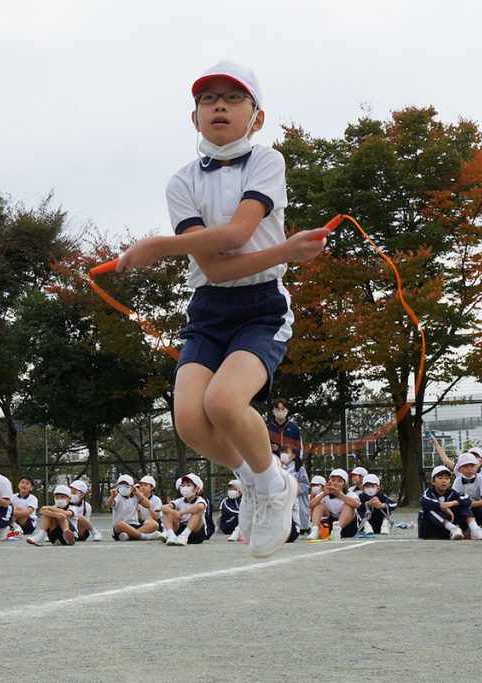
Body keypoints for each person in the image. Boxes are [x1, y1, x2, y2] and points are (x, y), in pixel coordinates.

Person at [115, 60, 328, 558]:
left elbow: (235, 236)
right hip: (209, 307)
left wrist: (159, 246)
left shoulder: (267, 162)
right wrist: (287, 249)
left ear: (257, 116)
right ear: (194, 117)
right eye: (208, 99)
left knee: (224, 403)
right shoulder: (181, 181)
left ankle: (274, 486)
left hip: (262, 305)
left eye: (234, 98)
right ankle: (253, 479)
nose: (219, 106)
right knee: (190, 421)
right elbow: (214, 267)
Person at [418, 466, 473, 540]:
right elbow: (423, 501)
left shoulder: (452, 493)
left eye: (447, 478)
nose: (444, 481)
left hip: (446, 531)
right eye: (440, 478)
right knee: (429, 509)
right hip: (430, 531)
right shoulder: (429, 492)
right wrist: (442, 506)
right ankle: (454, 529)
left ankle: (474, 529)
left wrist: (451, 503)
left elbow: (467, 499)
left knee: (462, 504)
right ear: (433, 481)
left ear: (450, 483)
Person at [307, 468, 360, 541]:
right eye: (333, 480)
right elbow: (311, 505)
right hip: (329, 526)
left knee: (348, 505)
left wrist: (339, 494)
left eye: (339, 481)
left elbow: (357, 505)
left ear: (344, 484)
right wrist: (324, 494)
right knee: (319, 505)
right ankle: (315, 531)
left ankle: (337, 531)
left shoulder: (350, 494)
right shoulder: (325, 494)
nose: (335, 483)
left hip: (347, 528)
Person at [160, 474, 211, 546]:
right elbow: (163, 508)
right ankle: (171, 535)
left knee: (197, 512)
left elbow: (200, 507)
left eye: (188, 485)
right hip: (180, 530)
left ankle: (185, 535)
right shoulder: (179, 500)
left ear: (197, 489)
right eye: (183, 486)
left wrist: (182, 513)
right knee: (167, 512)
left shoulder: (200, 500)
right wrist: (174, 512)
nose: (185, 488)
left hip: (196, 534)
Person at [451, 453, 482, 539]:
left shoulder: (481, 479)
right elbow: (455, 500)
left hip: (477, 508)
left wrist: (468, 504)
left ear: (476, 467)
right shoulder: (457, 481)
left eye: (472, 466)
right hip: (464, 509)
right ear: (459, 469)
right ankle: (466, 530)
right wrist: (464, 504)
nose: (469, 469)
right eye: (465, 466)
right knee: (457, 511)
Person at [107, 474, 160, 541]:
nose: (123, 487)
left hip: (134, 525)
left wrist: (138, 494)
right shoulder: (117, 496)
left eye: (126, 485)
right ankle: (143, 536)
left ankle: (129, 536)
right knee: (119, 524)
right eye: (121, 484)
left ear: (132, 487)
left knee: (154, 525)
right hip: (121, 527)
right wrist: (112, 496)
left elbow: (148, 505)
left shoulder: (135, 496)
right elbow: (109, 504)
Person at [279, 444, 311, 534]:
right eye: (282, 452)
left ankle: (301, 528)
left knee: (297, 513)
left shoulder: (299, 469)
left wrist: (294, 488)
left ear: (293, 455)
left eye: (286, 452)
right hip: (282, 496)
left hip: (297, 497)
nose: (283, 454)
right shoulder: (279, 468)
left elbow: (305, 484)